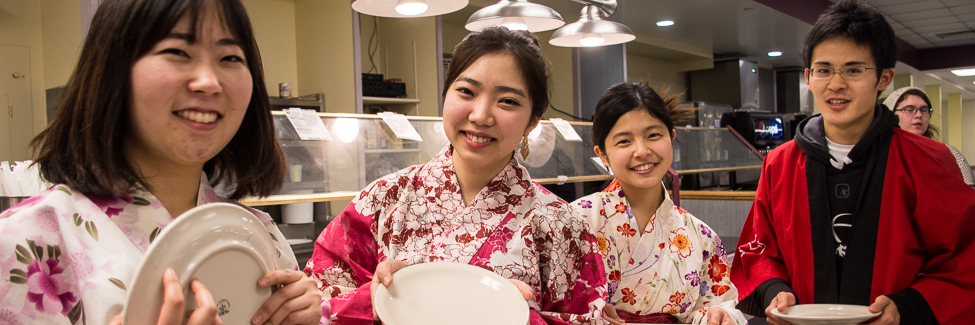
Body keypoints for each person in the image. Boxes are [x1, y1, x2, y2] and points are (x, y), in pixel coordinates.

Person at [0, 0, 324, 324]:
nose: (208, 82)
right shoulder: (24, 242)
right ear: (113, 69)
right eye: (178, 52)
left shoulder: (258, 234)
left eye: (230, 58)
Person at [305, 26, 608, 325]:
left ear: (533, 120)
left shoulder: (562, 224)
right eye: (466, 91)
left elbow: (588, 320)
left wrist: (520, 318)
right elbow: (316, 301)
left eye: (508, 101)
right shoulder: (385, 197)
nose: (480, 115)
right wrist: (374, 302)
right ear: (445, 94)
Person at [729, 0, 975, 324]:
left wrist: (908, 305)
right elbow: (757, 248)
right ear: (809, 76)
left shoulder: (928, 161)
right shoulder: (780, 164)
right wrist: (773, 289)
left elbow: (964, 258)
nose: (836, 84)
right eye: (824, 70)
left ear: (885, 78)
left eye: (854, 70)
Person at [570, 82, 746, 325]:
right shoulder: (574, 220)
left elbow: (722, 304)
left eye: (653, 135)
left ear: (672, 138)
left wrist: (720, 316)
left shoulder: (701, 236)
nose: (642, 151)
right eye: (624, 141)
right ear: (602, 155)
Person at [883, 86, 974, 187]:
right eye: (909, 109)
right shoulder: (881, 155)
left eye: (924, 110)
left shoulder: (950, 154)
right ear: (891, 114)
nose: (919, 115)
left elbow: (969, 194)